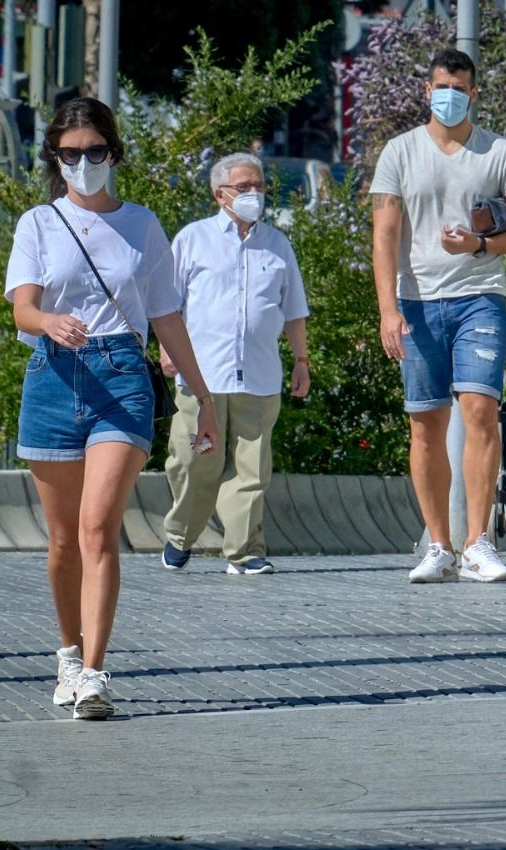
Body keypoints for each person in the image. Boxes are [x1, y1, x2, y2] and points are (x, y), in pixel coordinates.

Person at [6, 97, 221, 719]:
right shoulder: (38, 224)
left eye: (94, 151)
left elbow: (167, 318)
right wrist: (48, 321)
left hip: (122, 373)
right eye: (70, 154)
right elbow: (22, 308)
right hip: (53, 376)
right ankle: (68, 654)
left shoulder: (142, 225)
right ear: (56, 158)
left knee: (99, 525)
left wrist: (201, 399)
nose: (83, 163)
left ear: (113, 152)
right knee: (62, 540)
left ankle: (95, 673)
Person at [370, 48, 506, 584]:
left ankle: (478, 543)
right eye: (442, 85)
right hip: (418, 304)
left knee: (479, 412)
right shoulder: (399, 152)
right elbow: (385, 234)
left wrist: (479, 244)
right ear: (428, 90)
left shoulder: (498, 152)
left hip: (479, 299)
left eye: (461, 87)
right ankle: (438, 545)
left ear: (473, 93)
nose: (450, 95)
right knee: (425, 424)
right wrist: (387, 309)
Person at [159, 152, 310, 576]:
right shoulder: (192, 239)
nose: (254, 194)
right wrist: (166, 351)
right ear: (218, 193)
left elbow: (293, 309)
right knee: (192, 462)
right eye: (244, 187)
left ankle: (244, 552)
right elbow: (167, 305)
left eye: (259, 186)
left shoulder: (278, 245)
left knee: (251, 471)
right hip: (200, 377)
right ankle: (180, 535)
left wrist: (301, 359)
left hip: (259, 377)